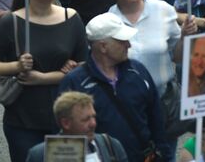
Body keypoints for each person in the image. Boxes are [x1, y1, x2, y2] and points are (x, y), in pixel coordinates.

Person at [58, 14, 170, 162]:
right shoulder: (75, 82)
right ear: (103, 46)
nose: (129, 45)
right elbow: (64, 132)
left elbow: (156, 119)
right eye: (122, 41)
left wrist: (165, 156)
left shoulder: (138, 71)